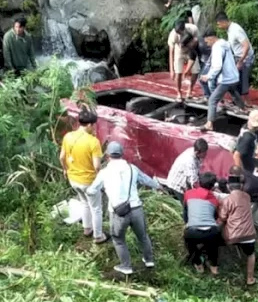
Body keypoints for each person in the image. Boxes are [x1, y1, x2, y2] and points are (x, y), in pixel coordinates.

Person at [87, 142, 160, 275]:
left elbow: (92, 190)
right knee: (143, 236)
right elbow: (147, 180)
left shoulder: (104, 172)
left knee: (118, 239)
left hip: (118, 212)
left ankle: (126, 266)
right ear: (122, 154)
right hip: (136, 208)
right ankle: (149, 260)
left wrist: (92, 192)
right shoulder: (132, 168)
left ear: (108, 155)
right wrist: (159, 186)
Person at [59, 108, 109, 244]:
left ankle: (87, 228)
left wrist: (65, 170)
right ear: (89, 125)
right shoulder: (93, 142)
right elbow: (97, 166)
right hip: (88, 181)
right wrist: (101, 177)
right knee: (96, 208)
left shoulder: (68, 136)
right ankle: (98, 236)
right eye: (94, 125)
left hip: (73, 179)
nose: (95, 128)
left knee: (84, 203)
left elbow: (62, 157)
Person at [200, 29, 247, 131]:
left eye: (207, 42)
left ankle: (209, 124)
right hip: (234, 76)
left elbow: (217, 66)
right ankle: (243, 108)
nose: (207, 44)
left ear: (211, 38)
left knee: (212, 100)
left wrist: (208, 76)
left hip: (227, 79)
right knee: (233, 92)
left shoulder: (217, 47)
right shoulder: (225, 43)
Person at [218, 170, 257, 285]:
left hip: (233, 236)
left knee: (219, 240)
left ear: (229, 187)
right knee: (251, 254)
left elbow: (223, 217)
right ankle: (250, 278)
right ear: (241, 186)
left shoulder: (227, 200)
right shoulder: (247, 196)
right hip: (249, 235)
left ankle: (223, 271)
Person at [183, 172, 221, 275]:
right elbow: (215, 216)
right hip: (211, 232)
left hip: (192, 232)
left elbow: (186, 212)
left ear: (199, 182)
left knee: (189, 243)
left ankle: (198, 264)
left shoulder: (188, 194)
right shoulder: (214, 199)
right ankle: (214, 266)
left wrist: (187, 222)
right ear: (212, 186)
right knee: (214, 245)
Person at [216, 12, 255, 105]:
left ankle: (248, 103)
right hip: (238, 57)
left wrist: (241, 61)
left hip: (246, 58)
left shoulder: (236, 30)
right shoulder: (229, 29)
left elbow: (246, 46)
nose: (218, 27)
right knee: (234, 79)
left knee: (243, 81)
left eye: (218, 24)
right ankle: (237, 100)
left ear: (223, 22)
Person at [166, 138, 209, 204]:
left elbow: (196, 173)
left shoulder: (193, 151)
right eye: (204, 153)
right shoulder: (190, 161)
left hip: (183, 183)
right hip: (177, 186)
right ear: (197, 152)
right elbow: (194, 182)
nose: (206, 154)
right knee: (187, 206)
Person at [168, 20, 200, 102]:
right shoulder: (173, 35)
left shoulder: (193, 29)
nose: (179, 34)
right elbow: (171, 52)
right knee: (178, 72)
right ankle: (179, 92)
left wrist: (191, 44)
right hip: (179, 51)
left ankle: (190, 90)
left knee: (196, 70)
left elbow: (197, 40)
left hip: (191, 49)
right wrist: (172, 70)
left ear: (184, 28)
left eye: (180, 32)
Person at [181, 33, 213, 104]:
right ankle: (208, 96)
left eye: (188, 45)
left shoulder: (202, 44)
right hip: (205, 61)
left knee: (203, 78)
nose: (188, 48)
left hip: (211, 61)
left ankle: (209, 97)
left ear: (192, 41)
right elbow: (192, 58)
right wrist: (187, 70)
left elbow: (211, 56)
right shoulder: (192, 46)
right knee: (203, 79)